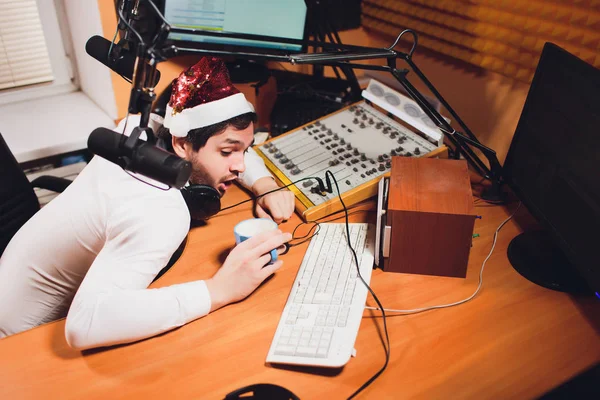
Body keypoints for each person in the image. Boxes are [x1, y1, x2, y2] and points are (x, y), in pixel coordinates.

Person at [0, 57, 295, 349]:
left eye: (244, 150)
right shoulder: (161, 210)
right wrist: (218, 290)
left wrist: (264, 184)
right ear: (180, 144)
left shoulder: (138, 131)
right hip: (20, 343)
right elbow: (85, 324)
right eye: (228, 152)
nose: (240, 166)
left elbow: (226, 140)